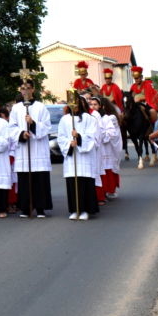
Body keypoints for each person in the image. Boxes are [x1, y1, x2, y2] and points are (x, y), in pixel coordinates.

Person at [9, 83, 53, 218]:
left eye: (28, 87)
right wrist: (22, 134)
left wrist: (33, 124)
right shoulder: (16, 108)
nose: (25, 90)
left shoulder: (41, 107)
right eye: (22, 88)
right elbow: (11, 127)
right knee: (24, 179)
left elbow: (46, 126)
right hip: (24, 149)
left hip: (38, 149)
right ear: (20, 90)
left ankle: (40, 208)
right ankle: (26, 208)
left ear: (33, 89)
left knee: (39, 179)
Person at [59, 92, 100, 220]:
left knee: (84, 182)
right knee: (72, 183)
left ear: (81, 103)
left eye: (76, 102)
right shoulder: (65, 119)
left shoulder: (89, 118)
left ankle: (85, 210)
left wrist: (79, 138)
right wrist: (69, 143)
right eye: (72, 103)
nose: (74, 105)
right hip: (72, 157)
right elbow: (61, 137)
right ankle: (74, 209)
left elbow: (93, 136)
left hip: (85, 157)